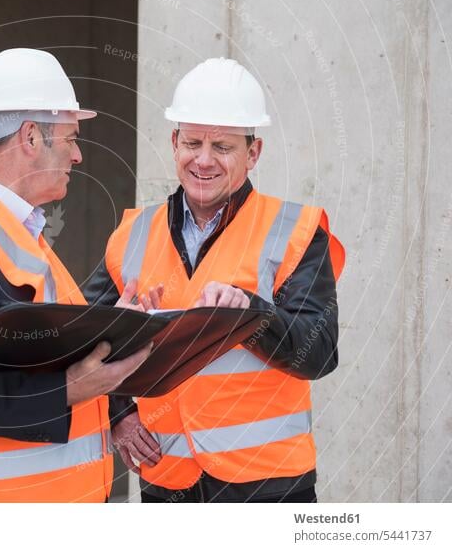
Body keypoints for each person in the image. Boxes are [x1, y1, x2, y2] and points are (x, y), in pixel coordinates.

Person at [0, 48, 155, 502]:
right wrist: (70, 390)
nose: (78, 156)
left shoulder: (19, 237)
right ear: (31, 138)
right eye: (72, 138)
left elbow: (35, 356)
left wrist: (114, 334)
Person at [85, 57, 345, 503]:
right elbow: (85, 338)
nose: (203, 160)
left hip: (269, 487)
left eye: (222, 147)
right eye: (193, 143)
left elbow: (318, 354)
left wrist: (251, 315)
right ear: (174, 142)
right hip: (167, 485)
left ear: (253, 153)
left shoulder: (296, 231)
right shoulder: (131, 236)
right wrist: (119, 414)